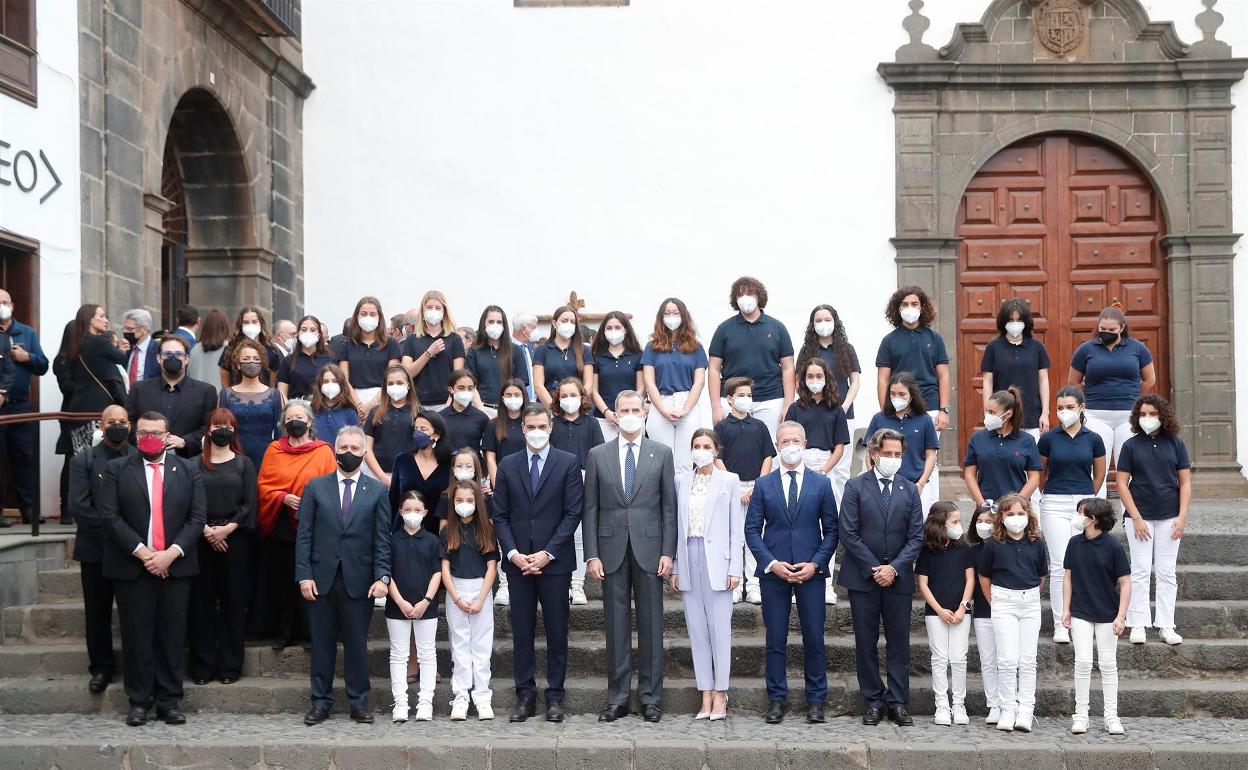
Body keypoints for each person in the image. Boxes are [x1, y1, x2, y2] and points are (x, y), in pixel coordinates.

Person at [98, 410, 206, 726]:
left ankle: (169, 701)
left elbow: (197, 519)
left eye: (156, 433)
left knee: (172, 636)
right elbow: (110, 517)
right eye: (144, 432)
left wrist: (169, 554)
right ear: (135, 434)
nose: (149, 438)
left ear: (167, 436)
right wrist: (145, 554)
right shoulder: (117, 469)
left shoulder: (188, 470)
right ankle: (139, 701)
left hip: (176, 566)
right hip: (132, 566)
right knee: (137, 636)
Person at [583, 390, 676, 723]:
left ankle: (651, 698)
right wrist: (591, 554)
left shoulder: (661, 453)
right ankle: (618, 697)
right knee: (615, 626)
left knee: (652, 626)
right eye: (625, 410)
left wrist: (669, 551)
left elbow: (669, 507)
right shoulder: (598, 454)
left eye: (636, 409)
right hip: (610, 551)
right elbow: (589, 508)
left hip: (651, 550)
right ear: (616, 415)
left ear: (646, 412)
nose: (631, 414)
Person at [491, 403, 583, 723]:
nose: (536, 432)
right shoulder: (508, 464)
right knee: (522, 632)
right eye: (531, 427)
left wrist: (548, 553)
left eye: (542, 426)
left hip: (554, 563)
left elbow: (573, 513)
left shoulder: (568, 463)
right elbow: (500, 515)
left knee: (557, 631)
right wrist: (513, 553)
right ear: (523, 429)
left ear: (551, 427)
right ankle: (525, 694)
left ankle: (555, 696)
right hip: (518, 563)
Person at [296, 425, 394, 726]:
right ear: (334, 450)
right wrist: (303, 575)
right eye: (343, 448)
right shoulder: (315, 487)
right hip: (321, 579)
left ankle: (358, 702)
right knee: (322, 644)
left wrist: (383, 577)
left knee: (356, 645)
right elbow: (304, 536)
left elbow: (382, 539)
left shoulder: (377, 490)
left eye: (355, 448)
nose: (348, 453)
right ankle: (320, 702)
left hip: (360, 580)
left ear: (364, 452)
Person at [744, 420, 838, 724]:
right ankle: (776, 699)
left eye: (795, 440)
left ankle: (816, 700)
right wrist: (771, 563)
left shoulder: (822, 483)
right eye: (785, 441)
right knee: (776, 639)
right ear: (777, 445)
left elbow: (832, 531)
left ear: (805, 442)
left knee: (814, 636)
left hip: (812, 571)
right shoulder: (763, 484)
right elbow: (752, 530)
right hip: (774, 573)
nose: (791, 446)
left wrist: (815, 564)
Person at [838, 427, 923, 727]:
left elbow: (916, 536)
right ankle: (873, 700)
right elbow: (848, 532)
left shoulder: (909, 489)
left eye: (897, 454)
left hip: (898, 579)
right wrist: (876, 568)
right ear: (874, 454)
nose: (892, 458)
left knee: (899, 642)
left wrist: (894, 568)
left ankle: (898, 702)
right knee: (866, 641)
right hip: (864, 577)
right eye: (887, 453)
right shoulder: (855, 487)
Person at [671, 429, 741, 721]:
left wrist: (735, 567)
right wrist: (675, 566)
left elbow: (735, 529)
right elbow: (676, 527)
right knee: (697, 631)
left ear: (716, 450)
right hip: (690, 557)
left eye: (706, 446)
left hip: (718, 562)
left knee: (719, 631)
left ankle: (721, 692)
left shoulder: (729, 481)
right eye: (696, 446)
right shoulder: (681, 481)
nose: (701, 450)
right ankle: (705, 692)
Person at [254, 401, 337, 648]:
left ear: (310, 421)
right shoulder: (274, 449)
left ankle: (310, 633)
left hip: (313, 524)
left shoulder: (323, 450)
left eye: (299, 417)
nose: (295, 422)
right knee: (284, 581)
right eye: (289, 418)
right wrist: (283, 497)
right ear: (283, 423)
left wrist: (311, 502)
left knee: (312, 579)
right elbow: (263, 485)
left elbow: (331, 485)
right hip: (281, 524)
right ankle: (284, 632)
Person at [68, 405, 136, 692]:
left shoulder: (140, 457)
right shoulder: (83, 460)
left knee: (134, 614)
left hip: (133, 552)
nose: (117, 426)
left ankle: (137, 668)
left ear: (130, 426)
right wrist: (117, 533)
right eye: (112, 422)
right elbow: (79, 507)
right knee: (97, 613)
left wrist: (131, 540)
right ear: (101, 425)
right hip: (96, 550)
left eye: (122, 421)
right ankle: (101, 668)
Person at [188, 408, 256, 686]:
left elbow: (250, 504)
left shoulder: (244, 464)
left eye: (228, 426)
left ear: (234, 430)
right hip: (200, 539)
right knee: (201, 604)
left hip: (235, 540)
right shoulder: (192, 465)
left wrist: (226, 529)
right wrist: (205, 530)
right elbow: (187, 502)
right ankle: (203, 667)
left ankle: (230, 666)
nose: (222, 430)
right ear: (208, 429)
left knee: (233, 603)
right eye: (217, 425)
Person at [1117, 394, 1190, 646]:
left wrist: (1182, 517)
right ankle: (1138, 623)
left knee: (1166, 572)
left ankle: (1166, 625)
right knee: (1139, 570)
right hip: (1139, 518)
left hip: (1170, 517)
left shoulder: (1176, 445)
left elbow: (1185, 482)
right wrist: (1136, 517)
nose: (1148, 419)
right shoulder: (1130, 446)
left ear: (1163, 416)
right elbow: (1121, 484)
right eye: (1143, 414)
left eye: (1153, 414)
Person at [1037, 386, 1106, 643]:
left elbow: (1099, 474)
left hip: (1083, 504)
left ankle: (1080, 618)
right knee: (1058, 563)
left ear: (1081, 408)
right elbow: (1040, 472)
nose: (1064, 412)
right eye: (1060, 408)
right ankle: (1060, 624)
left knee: (1081, 561)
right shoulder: (1048, 438)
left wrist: (1086, 498)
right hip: (1054, 502)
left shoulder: (1094, 439)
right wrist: (1052, 493)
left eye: (1069, 407)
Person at [977, 493, 1048, 733]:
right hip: (1003, 602)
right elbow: (984, 576)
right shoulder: (993, 544)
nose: (1016, 518)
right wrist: (995, 601)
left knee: (1027, 660)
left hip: (1029, 602)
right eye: (1010, 514)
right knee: (1006, 660)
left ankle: (1025, 709)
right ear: (1002, 517)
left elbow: (1041, 576)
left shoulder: (1037, 542)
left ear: (1028, 515)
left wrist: (1028, 594)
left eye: (1020, 514)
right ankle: (1007, 708)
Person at [1069, 304, 1156, 495]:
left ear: (1122, 328)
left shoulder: (1138, 348)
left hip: (1129, 416)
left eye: (1111, 330)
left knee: (1132, 466)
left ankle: (1133, 517)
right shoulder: (1086, 349)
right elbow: (1074, 382)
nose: (1106, 333)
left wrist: (1132, 396)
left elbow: (1149, 380)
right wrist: (1092, 394)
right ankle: (1095, 514)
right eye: (1103, 329)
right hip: (1096, 415)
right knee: (1097, 467)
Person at [783, 357, 849, 606]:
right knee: (795, 523)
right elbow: (788, 441)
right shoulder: (795, 408)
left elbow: (839, 447)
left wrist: (823, 471)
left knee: (824, 527)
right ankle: (793, 582)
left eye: (818, 376)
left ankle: (825, 584)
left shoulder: (836, 409)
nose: (814, 381)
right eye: (809, 377)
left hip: (825, 467)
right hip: (798, 464)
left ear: (826, 378)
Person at [1063, 497, 1130, 735]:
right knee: (1082, 661)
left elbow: (1125, 582)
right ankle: (1081, 714)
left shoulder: (1113, 547)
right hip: (1081, 610)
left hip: (1107, 613)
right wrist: (1066, 609)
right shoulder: (1074, 543)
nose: (1078, 516)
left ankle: (1111, 716)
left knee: (1108, 664)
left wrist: (1121, 616)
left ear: (1093, 519)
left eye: (1082, 513)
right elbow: (1068, 577)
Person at [875, 286, 950, 495]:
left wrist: (944, 410)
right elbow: (882, 379)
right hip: (898, 409)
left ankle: (930, 512)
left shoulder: (934, 339)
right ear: (897, 309)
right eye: (905, 304)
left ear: (922, 307)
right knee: (896, 455)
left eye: (914, 304)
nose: (910, 308)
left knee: (929, 459)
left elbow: (943, 375)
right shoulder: (889, 341)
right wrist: (885, 411)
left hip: (930, 408)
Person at [708, 276, 795, 440]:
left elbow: (788, 367)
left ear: (759, 297)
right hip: (732, 399)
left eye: (751, 293)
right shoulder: (724, 329)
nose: (745, 298)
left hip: (771, 400)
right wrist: (715, 407)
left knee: (770, 451)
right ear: (735, 299)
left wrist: (788, 405)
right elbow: (713, 368)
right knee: (732, 450)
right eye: (740, 295)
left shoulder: (777, 328)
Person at [441, 480, 500, 720]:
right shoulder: (448, 531)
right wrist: (456, 597)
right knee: (460, 645)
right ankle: (461, 696)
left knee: (482, 645)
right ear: (452, 502)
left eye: (469, 501)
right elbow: (444, 568)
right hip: (455, 588)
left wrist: (480, 598)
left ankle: (483, 697)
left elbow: (492, 568)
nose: (464, 505)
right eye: (459, 501)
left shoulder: (486, 529)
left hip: (480, 589)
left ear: (478, 502)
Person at [713, 377, 775, 604]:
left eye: (749, 395)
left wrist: (760, 485)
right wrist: (732, 487)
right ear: (729, 399)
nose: (746, 399)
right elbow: (717, 458)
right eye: (741, 395)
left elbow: (768, 456)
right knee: (733, 536)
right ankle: (735, 583)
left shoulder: (759, 426)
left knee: (754, 536)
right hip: (731, 487)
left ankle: (755, 584)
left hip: (756, 487)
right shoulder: (721, 427)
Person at [385, 490, 442, 723]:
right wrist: (400, 601)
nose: (412, 514)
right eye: (407, 510)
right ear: (400, 511)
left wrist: (426, 601)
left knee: (427, 653)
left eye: (417, 510)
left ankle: (425, 702)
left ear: (425, 513)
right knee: (398, 654)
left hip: (425, 607)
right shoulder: (391, 540)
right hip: (397, 606)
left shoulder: (432, 541)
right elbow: (386, 573)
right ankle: (400, 703)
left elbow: (437, 572)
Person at [916, 501, 974, 727]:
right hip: (935, 612)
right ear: (940, 523)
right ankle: (942, 704)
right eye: (955, 521)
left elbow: (970, 579)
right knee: (939, 658)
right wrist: (939, 610)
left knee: (959, 658)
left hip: (961, 611)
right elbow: (923, 584)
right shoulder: (927, 551)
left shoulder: (964, 548)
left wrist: (963, 607)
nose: (959, 525)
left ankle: (959, 704)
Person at [550, 376, 603, 606]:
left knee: (580, 536)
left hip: (583, 483)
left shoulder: (591, 423)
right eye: (564, 395)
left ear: (582, 397)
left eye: (573, 395)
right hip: (554, 484)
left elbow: (599, 455)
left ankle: (577, 584)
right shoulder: (552, 424)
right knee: (557, 533)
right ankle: (559, 584)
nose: (568, 400)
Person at [796, 304, 861, 492]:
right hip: (815, 414)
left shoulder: (847, 349)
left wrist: (844, 406)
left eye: (827, 319)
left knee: (841, 468)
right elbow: (799, 379)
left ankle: (840, 515)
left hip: (842, 414)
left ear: (835, 322)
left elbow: (855, 381)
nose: (823, 324)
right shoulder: (807, 350)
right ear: (812, 324)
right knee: (815, 464)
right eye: (818, 320)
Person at [642, 297, 708, 474]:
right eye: (667, 313)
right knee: (661, 461)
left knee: (685, 463)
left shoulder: (696, 347)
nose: (672, 316)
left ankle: (682, 501)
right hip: (660, 403)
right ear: (661, 317)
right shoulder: (651, 347)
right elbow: (649, 381)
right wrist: (662, 409)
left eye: (676, 313)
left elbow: (699, 382)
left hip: (688, 403)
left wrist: (685, 409)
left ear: (684, 316)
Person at [0, 287, 49, 526]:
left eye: (5, 301)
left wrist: (27, 357)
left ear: (12, 306)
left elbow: (43, 365)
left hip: (20, 406)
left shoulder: (27, 333)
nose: (2, 305)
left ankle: (28, 510)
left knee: (24, 457)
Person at [125, 334, 217, 459]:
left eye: (179, 354)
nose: (173, 358)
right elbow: (129, 423)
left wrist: (184, 441)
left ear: (187, 359)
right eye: (167, 354)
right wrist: (149, 438)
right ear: (158, 358)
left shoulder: (205, 391)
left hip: (188, 462)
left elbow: (208, 427)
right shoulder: (139, 389)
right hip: (145, 460)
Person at [864, 371, 939, 514]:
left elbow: (931, 456)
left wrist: (921, 484)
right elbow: (869, 453)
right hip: (884, 486)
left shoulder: (925, 420)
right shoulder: (879, 419)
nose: (896, 398)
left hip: (915, 485)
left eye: (902, 394)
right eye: (892, 394)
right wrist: (872, 479)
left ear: (912, 394)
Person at [60, 305, 127, 456]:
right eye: (102, 316)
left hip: (79, 409)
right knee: (101, 458)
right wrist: (123, 349)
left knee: (83, 457)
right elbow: (120, 358)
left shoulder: (75, 343)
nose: (106, 321)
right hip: (99, 409)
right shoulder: (99, 342)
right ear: (90, 319)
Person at [982, 298, 1052, 439]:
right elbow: (987, 382)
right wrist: (988, 413)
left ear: (1026, 322)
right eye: (1010, 320)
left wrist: (1045, 413)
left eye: (1018, 320)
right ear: (1003, 322)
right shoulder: (993, 347)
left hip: (1032, 415)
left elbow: (1044, 381)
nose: (1015, 324)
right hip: (1002, 415)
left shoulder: (1037, 347)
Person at [962, 387, 1042, 506]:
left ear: (1008, 414)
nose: (987, 415)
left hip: (1016, 511)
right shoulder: (977, 438)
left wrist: (1017, 503)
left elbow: (1034, 478)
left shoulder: (1027, 440)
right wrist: (982, 504)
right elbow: (969, 474)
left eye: (992, 412)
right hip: (986, 509)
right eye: (987, 411)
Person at [218, 339, 283, 471]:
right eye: (246, 359)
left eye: (255, 358)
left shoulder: (274, 395)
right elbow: (220, 428)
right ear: (237, 364)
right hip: (233, 457)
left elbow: (279, 434)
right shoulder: (225, 394)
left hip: (266, 457)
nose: (251, 362)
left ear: (262, 363)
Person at [334, 296, 401, 422]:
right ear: (357, 317)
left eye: (372, 314)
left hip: (382, 399)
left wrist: (372, 404)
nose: (368, 317)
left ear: (379, 317)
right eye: (363, 314)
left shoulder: (391, 344)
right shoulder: (347, 345)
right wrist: (359, 406)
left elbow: (393, 377)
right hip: (354, 400)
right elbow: (344, 379)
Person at [966, 501, 1003, 724]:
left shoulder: (1004, 546)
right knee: (988, 660)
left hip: (1008, 609)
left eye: (988, 521)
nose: (983, 525)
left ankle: (1011, 701)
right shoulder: (973, 551)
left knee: (1008, 659)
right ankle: (994, 705)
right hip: (982, 611)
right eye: (979, 521)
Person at [388, 409, 452, 533]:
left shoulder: (448, 463)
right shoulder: (402, 460)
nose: (418, 433)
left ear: (436, 435)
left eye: (423, 429)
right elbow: (393, 500)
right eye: (416, 429)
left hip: (435, 533)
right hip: (402, 531)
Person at [401, 290, 466, 407]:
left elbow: (458, 375)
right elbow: (406, 373)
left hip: (446, 403)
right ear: (423, 311)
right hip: (418, 403)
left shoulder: (454, 339)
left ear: (444, 312)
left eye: (437, 308)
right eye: (429, 307)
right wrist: (428, 353)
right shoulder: (412, 340)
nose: (433, 311)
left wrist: (453, 398)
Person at [588, 310, 644, 442]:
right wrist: (607, 412)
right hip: (604, 419)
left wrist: (628, 411)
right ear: (603, 331)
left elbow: (641, 388)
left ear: (625, 329)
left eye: (617, 327)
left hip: (632, 417)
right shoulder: (596, 356)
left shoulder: (637, 355)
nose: (613, 331)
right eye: (609, 328)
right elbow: (594, 390)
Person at [465, 305, 528, 417]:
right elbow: (470, 384)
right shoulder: (474, 352)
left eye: (499, 322)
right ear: (484, 324)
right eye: (491, 321)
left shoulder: (516, 350)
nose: (495, 325)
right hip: (483, 408)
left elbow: (521, 382)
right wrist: (481, 411)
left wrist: (513, 407)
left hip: (510, 409)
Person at [363, 365, 418, 485]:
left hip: (409, 476)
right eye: (391, 383)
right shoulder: (375, 412)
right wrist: (382, 477)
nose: (395, 386)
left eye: (399, 383)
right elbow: (367, 449)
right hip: (376, 475)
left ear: (408, 385)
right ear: (385, 387)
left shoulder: (419, 413)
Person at [532, 305, 591, 408]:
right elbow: (538, 385)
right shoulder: (542, 350)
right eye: (564, 321)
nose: (569, 324)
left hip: (578, 406)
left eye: (572, 322)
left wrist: (578, 406)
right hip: (550, 407)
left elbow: (589, 384)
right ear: (555, 323)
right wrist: (555, 408)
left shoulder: (585, 350)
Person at [217, 307, 283, 388]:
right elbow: (224, 383)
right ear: (241, 325)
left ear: (260, 323)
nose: (250, 325)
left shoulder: (272, 351)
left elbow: (272, 384)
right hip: (236, 397)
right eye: (246, 322)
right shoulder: (230, 349)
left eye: (254, 322)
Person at [277, 315, 336, 401]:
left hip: (323, 407)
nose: (308, 333)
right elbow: (282, 392)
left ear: (319, 335)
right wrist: (287, 409)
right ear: (298, 333)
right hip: (297, 407)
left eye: (313, 330)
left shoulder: (330, 359)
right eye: (304, 330)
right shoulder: (288, 361)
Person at [484, 379, 528, 489]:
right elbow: (490, 459)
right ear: (502, 398)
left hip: (527, 479)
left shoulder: (531, 423)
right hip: (503, 480)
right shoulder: (493, 424)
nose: (513, 398)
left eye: (517, 395)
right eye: (509, 395)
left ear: (523, 396)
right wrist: (497, 486)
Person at [441, 368, 490, 454]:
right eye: (461, 388)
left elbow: (488, 450)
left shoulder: (482, 418)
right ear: (450, 389)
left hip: (473, 465)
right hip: (446, 465)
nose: (466, 391)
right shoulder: (440, 417)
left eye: (470, 388)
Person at [309, 363, 360, 443]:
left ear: (341, 384)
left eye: (335, 381)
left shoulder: (350, 412)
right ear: (319, 384)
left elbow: (356, 441)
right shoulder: (310, 411)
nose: (330, 385)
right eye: (325, 381)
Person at [187, 309, 229, 389]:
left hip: (197, 396)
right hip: (221, 397)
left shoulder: (195, 349)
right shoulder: (230, 348)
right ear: (224, 326)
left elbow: (189, 375)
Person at [122, 309, 160, 385]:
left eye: (130, 329)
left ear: (144, 330)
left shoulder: (158, 350)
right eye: (124, 328)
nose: (125, 332)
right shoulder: (125, 349)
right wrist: (120, 354)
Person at [511, 311, 538, 402]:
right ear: (524, 329)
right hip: (515, 401)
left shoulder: (533, 349)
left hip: (535, 402)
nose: (536, 331)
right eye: (534, 328)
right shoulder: (506, 349)